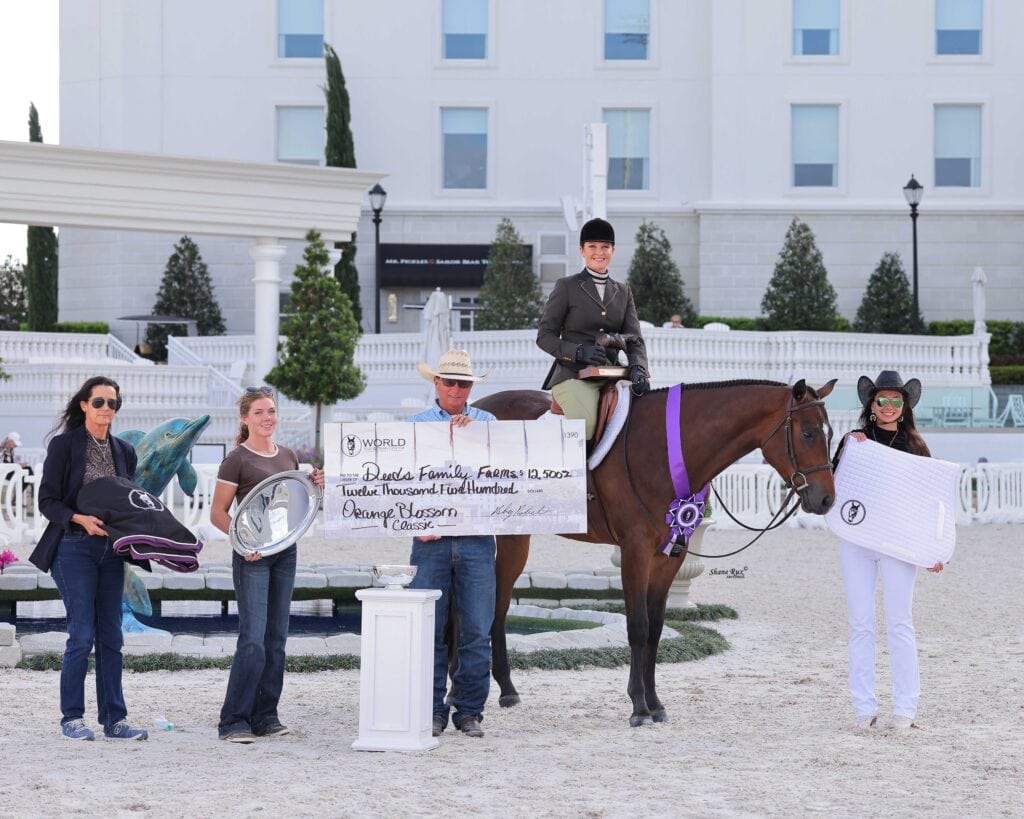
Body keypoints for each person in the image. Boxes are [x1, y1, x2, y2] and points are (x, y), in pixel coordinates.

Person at [30, 376, 149, 741]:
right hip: (73, 548)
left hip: (111, 552)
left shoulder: (124, 451)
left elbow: (129, 500)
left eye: (112, 403)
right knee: (81, 635)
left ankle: (115, 719)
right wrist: (79, 518)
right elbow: (47, 501)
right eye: (99, 402)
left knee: (112, 636)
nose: (106, 409)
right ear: (84, 405)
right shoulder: (64, 446)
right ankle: (72, 718)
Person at [832, 370, 945, 732]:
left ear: (905, 405)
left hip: (900, 543)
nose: (889, 406)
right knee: (861, 625)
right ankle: (863, 708)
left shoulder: (916, 446)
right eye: (883, 400)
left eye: (897, 400)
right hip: (858, 541)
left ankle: (905, 709)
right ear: (871, 403)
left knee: (900, 624)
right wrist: (849, 450)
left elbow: (931, 501)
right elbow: (837, 487)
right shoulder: (854, 442)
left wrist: (934, 548)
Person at [211, 386, 324, 743]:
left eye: (271, 411)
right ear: (245, 419)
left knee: (276, 639)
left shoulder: (288, 455)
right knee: (253, 641)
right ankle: (233, 721)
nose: (267, 418)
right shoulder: (236, 460)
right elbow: (218, 514)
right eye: (259, 412)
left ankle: (266, 716)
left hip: (284, 552)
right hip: (252, 557)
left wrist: (315, 483)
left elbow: (295, 500)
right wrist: (244, 544)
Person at [408, 349, 497, 739]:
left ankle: (470, 710)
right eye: (451, 382)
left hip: (477, 537)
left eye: (464, 383)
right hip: (431, 539)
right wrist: (414, 523)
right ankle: (430, 708)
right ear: (436, 384)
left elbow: (507, 475)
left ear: (471, 387)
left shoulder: (490, 424)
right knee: (430, 627)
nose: (457, 389)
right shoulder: (414, 426)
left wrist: (475, 438)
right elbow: (398, 486)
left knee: (477, 629)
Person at [536, 217, 650, 442]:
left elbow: (635, 339)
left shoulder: (623, 291)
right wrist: (578, 351)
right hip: (573, 376)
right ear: (582, 250)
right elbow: (544, 337)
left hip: (611, 374)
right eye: (593, 247)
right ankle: (582, 476)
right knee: (586, 427)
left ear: (613, 250)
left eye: (605, 247)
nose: (599, 252)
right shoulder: (566, 286)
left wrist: (639, 368)